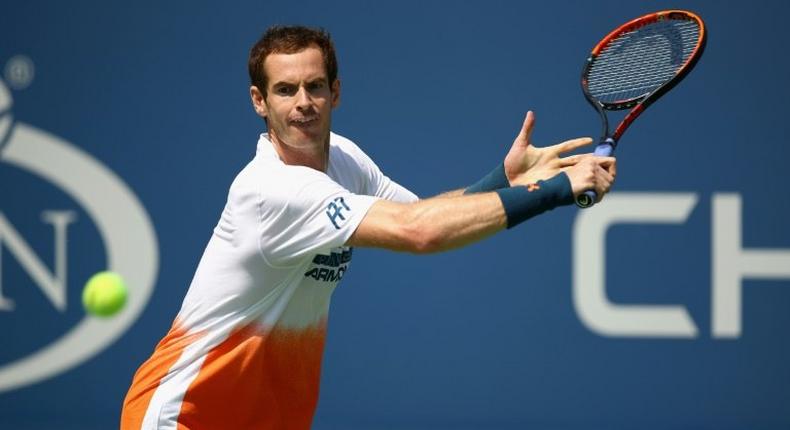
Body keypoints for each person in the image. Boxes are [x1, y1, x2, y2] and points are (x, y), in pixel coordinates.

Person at [120, 25, 615, 430]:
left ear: (335, 91)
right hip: (180, 415)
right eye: (285, 90)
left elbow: (422, 211)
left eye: (315, 86)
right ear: (259, 101)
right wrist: (553, 191)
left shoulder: (343, 159)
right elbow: (419, 232)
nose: (303, 103)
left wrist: (504, 180)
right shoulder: (271, 191)